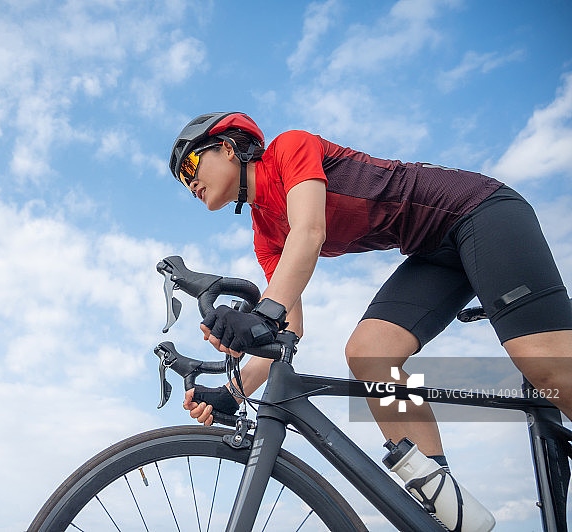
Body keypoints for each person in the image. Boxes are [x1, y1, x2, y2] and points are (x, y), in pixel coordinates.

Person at [169, 111, 572, 469]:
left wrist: (260, 315)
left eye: (190, 165)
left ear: (226, 148)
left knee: (541, 359)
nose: (189, 183)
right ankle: (443, 502)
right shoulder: (265, 234)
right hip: (434, 252)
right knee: (369, 354)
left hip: (479, 210)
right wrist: (230, 393)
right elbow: (289, 329)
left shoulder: (288, 148)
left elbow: (309, 232)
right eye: (182, 181)